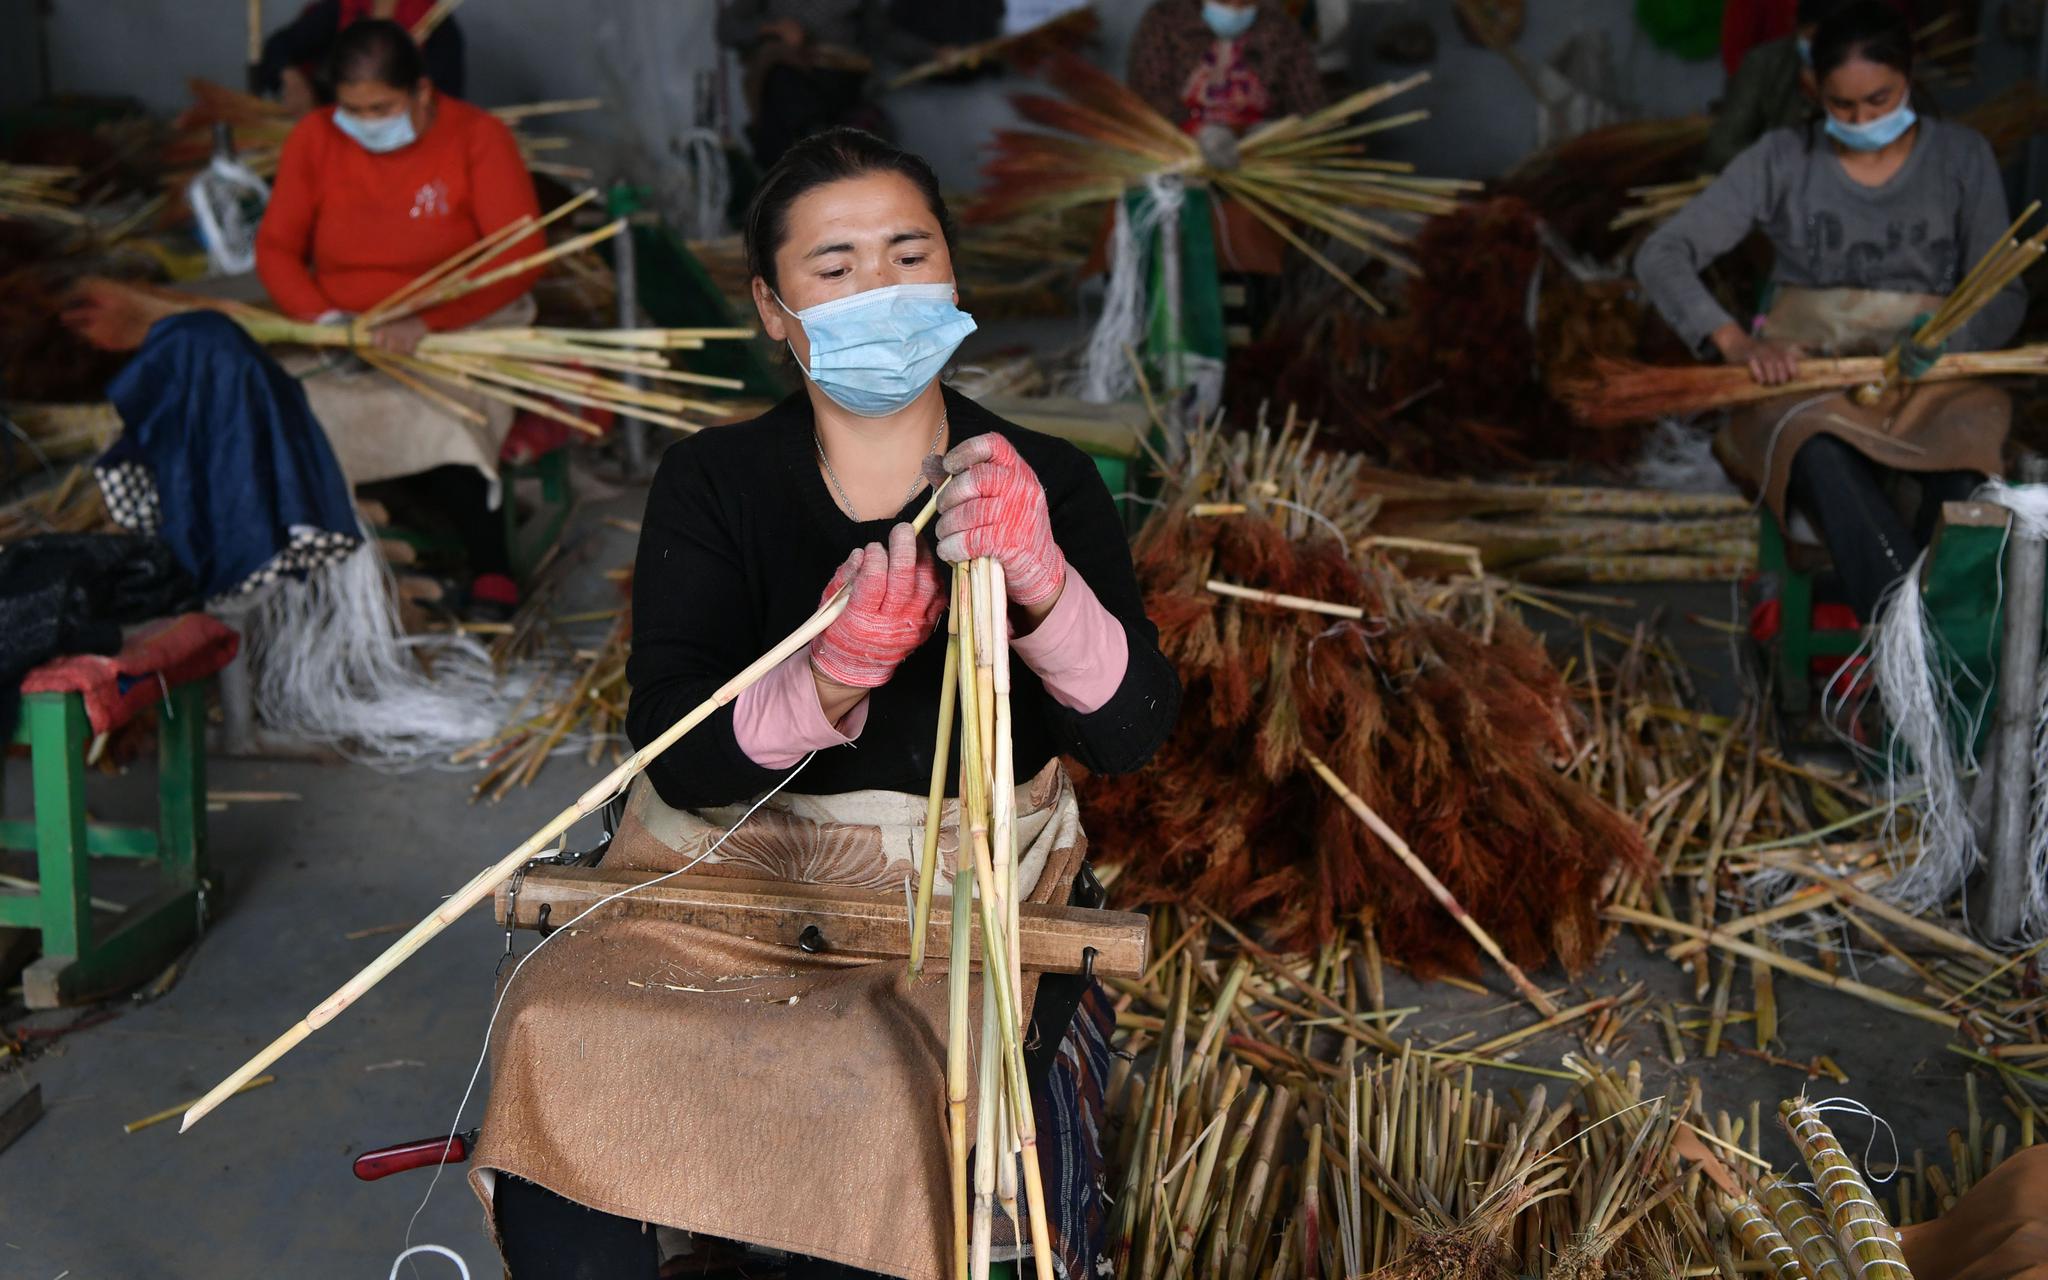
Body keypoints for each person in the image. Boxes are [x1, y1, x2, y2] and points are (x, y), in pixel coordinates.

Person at [469, 127, 1181, 1279]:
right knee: (561, 1037)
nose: (880, 291)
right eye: (834, 268)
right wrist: (829, 672)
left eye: (908, 255)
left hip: (962, 901)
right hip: (717, 879)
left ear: (952, 273)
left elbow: (1131, 730)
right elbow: (679, 756)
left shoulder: (1037, 478)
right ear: (772, 306)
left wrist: (1043, 581)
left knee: (892, 1090)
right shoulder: (714, 481)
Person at [1637, 1, 2025, 624]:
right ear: (1811, 88)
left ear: (1910, 74)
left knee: (1963, 469)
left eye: (1880, 99)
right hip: (1808, 380)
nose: (1863, 118)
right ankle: (1913, 633)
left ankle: (1920, 634)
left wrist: (1955, 337)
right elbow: (1663, 253)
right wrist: (1738, 345)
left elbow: (2007, 290)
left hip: (1931, 381)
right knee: (1814, 446)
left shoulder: (1961, 157)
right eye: (1843, 106)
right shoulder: (1780, 158)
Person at [256, 18, 542, 611]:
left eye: (380, 107)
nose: (364, 123)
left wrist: (427, 324)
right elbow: (276, 248)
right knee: (289, 410)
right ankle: (317, 566)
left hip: (457, 324)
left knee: (446, 413)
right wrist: (322, 317)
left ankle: (491, 566)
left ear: (422, 93)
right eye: (351, 108)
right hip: (344, 330)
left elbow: (521, 256)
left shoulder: (477, 137)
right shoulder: (314, 138)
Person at [716, 1, 938, 170]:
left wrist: (933, 54)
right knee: (785, 89)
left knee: (863, 148)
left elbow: (885, 36)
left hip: (843, 83)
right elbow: (726, 29)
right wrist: (773, 28)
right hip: (790, 85)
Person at [1702, 0, 1856, 171]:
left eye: (1834, 42)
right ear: (1796, 28)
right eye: (1815, 39)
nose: (1823, 50)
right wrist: (1780, 168)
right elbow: (1721, 148)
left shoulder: (1873, 70)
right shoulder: (1764, 65)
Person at [254, 0, 465, 114]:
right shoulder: (344, 8)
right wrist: (291, 78)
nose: (368, 120)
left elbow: (444, 105)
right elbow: (278, 47)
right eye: (356, 110)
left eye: (378, 109)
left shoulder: (435, 24)